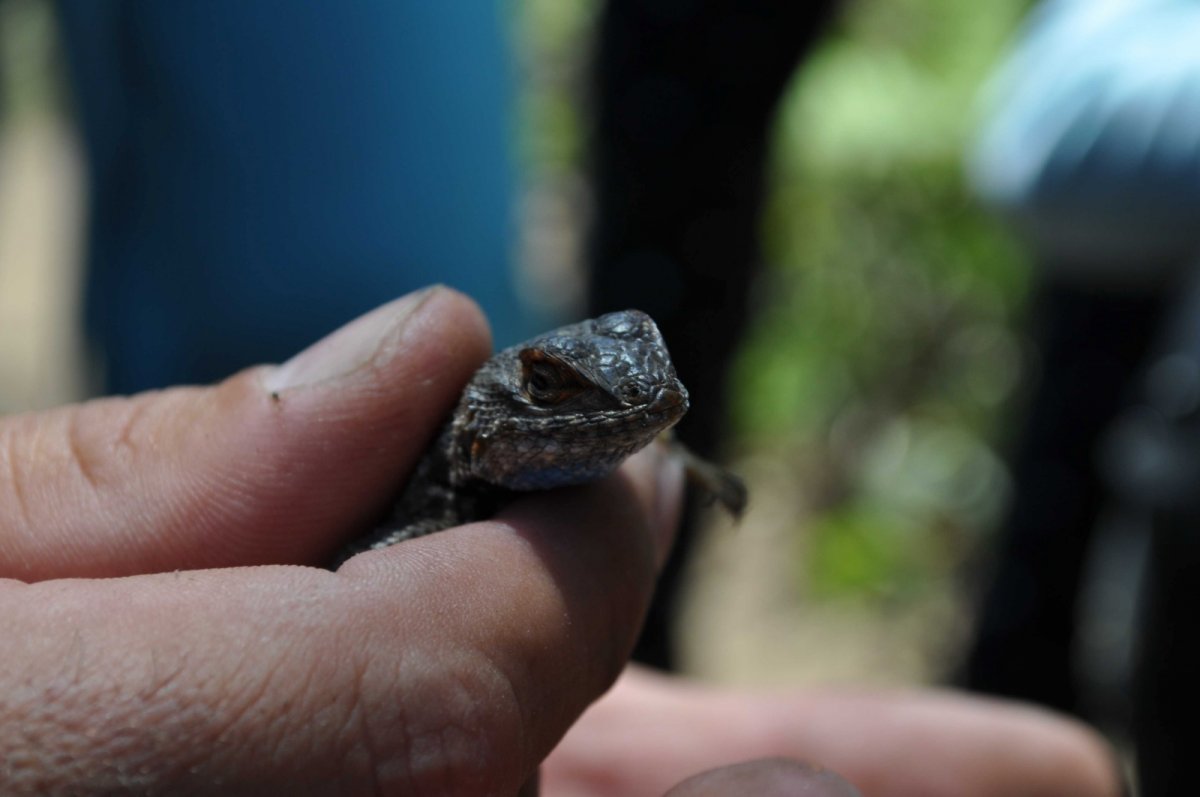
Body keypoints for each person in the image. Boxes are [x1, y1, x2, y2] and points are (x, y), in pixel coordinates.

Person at [1, 287, 1121, 795]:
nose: (636, 397)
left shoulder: (592, 441)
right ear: (493, 414)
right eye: (546, 385)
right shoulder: (426, 491)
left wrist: (665, 449)